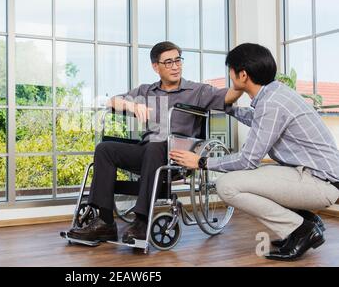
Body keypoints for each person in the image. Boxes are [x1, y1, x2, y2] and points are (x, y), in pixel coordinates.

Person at [169, 43, 339, 261]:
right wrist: (229, 109)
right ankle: (305, 221)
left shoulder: (271, 104)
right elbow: (259, 121)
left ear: (243, 75)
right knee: (255, 176)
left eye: (230, 72)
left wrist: (202, 162)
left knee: (227, 185)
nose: (230, 78)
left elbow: (247, 160)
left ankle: (301, 230)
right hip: (311, 175)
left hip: (321, 184)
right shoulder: (275, 94)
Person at [67, 41, 243, 244]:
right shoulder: (146, 91)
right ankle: (105, 222)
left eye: (178, 60)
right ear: (155, 66)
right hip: (148, 151)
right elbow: (112, 101)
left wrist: (241, 83)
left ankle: (142, 220)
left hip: (177, 154)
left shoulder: (197, 90)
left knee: (156, 144)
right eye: (168, 62)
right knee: (104, 149)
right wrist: (131, 105)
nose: (175, 66)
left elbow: (228, 97)